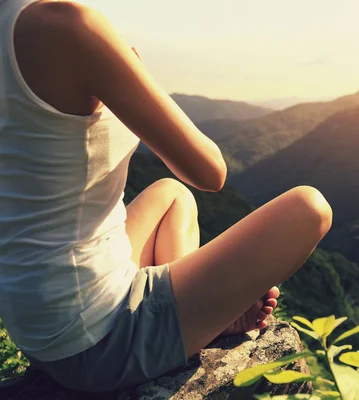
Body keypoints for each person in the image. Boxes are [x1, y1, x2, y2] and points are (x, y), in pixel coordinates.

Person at [0, 0, 333, 392]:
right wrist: (131, 74)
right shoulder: (66, 23)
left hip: (36, 318)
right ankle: (197, 326)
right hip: (95, 339)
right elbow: (210, 171)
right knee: (310, 210)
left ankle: (198, 317)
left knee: (172, 196)